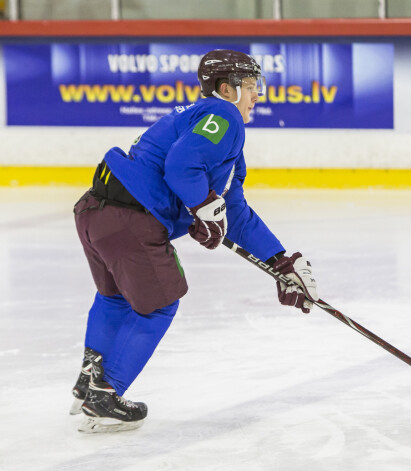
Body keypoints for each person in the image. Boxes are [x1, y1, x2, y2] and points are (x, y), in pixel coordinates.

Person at [70, 49, 319, 433]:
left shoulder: (200, 122)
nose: (258, 95)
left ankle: (89, 379)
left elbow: (233, 209)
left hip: (97, 213)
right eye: (251, 86)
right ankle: (104, 392)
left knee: (115, 298)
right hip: (130, 220)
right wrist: (201, 205)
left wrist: (280, 262)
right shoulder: (224, 116)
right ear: (226, 89)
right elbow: (183, 166)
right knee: (160, 304)